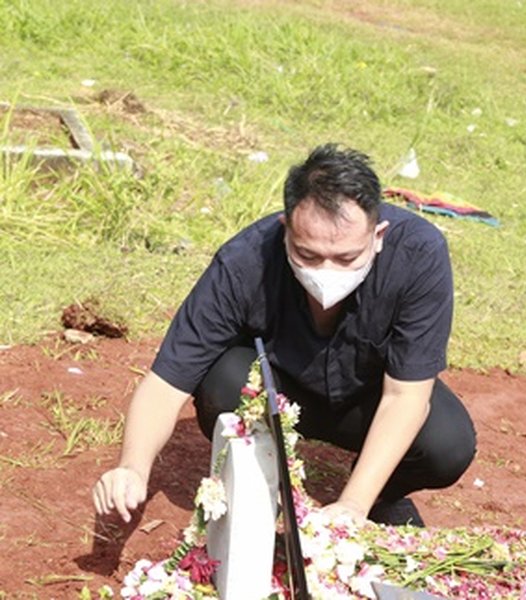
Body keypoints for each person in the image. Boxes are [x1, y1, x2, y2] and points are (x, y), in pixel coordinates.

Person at [92, 144, 476, 528]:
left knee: (447, 444)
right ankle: (262, 481)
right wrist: (133, 468)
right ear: (285, 231)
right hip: (277, 391)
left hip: (367, 399)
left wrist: (354, 504)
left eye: (346, 258)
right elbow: (168, 381)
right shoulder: (244, 260)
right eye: (308, 255)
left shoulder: (419, 255)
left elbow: (405, 395)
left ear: (378, 236)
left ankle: (380, 491)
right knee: (222, 382)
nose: (326, 272)